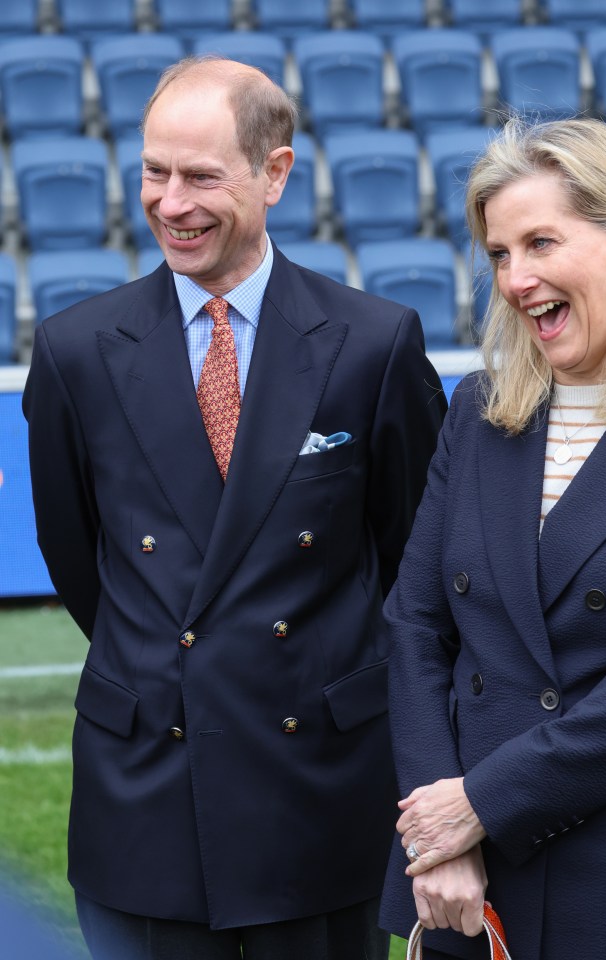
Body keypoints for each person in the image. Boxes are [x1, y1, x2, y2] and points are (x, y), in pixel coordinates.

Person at [23, 56, 446, 960]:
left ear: (276, 173)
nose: (170, 204)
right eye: (153, 172)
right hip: (144, 795)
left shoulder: (373, 344)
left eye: (201, 177)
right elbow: (78, 559)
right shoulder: (73, 352)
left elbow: (411, 563)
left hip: (320, 791)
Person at [379, 116, 606, 960]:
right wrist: (443, 831)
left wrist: (486, 801)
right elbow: (413, 627)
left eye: (540, 242)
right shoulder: (476, 413)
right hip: (466, 875)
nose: (516, 278)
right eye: (500, 254)